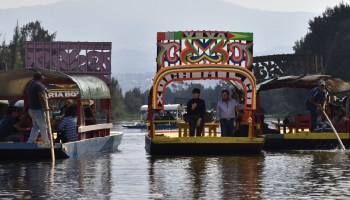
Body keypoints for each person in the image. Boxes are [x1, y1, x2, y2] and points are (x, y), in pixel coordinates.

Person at [26, 72, 50, 145]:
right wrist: (46, 107)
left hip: (31, 109)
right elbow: (42, 96)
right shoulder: (38, 85)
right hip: (37, 110)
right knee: (43, 126)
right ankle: (46, 142)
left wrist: (45, 90)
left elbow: (43, 90)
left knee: (36, 127)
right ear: (41, 78)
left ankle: (30, 142)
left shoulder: (30, 85)